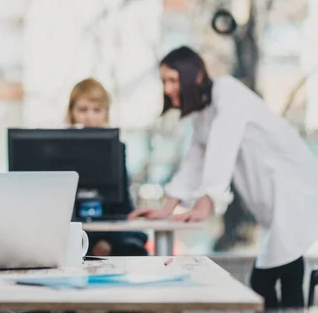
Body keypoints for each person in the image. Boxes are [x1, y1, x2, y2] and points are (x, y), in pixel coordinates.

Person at [128, 45, 318, 310]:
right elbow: (195, 158)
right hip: (277, 199)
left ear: (194, 76)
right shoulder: (203, 113)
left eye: (172, 80)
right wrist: (167, 208)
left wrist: (206, 202)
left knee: (266, 278)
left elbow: (222, 145)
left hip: (296, 188)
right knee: (285, 268)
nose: (167, 88)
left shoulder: (226, 92)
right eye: (164, 81)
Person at [67, 78, 148, 257]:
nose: (90, 116)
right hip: (71, 226)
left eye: (97, 110)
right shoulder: (56, 148)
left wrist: (108, 240)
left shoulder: (117, 149)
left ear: (106, 113)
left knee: (133, 244)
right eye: (83, 110)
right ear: (71, 113)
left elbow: (123, 204)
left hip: (109, 226)